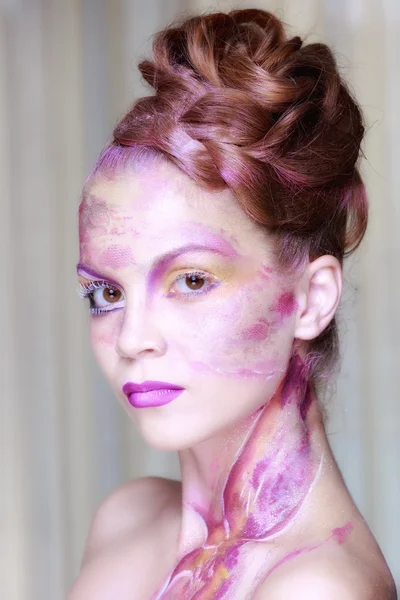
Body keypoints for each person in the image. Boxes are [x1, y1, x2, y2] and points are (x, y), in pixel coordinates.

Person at [67, 8, 397, 600]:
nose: (132, 337)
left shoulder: (316, 588)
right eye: (106, 293)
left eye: (191, 281)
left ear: (311, 300)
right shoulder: (127, 519)